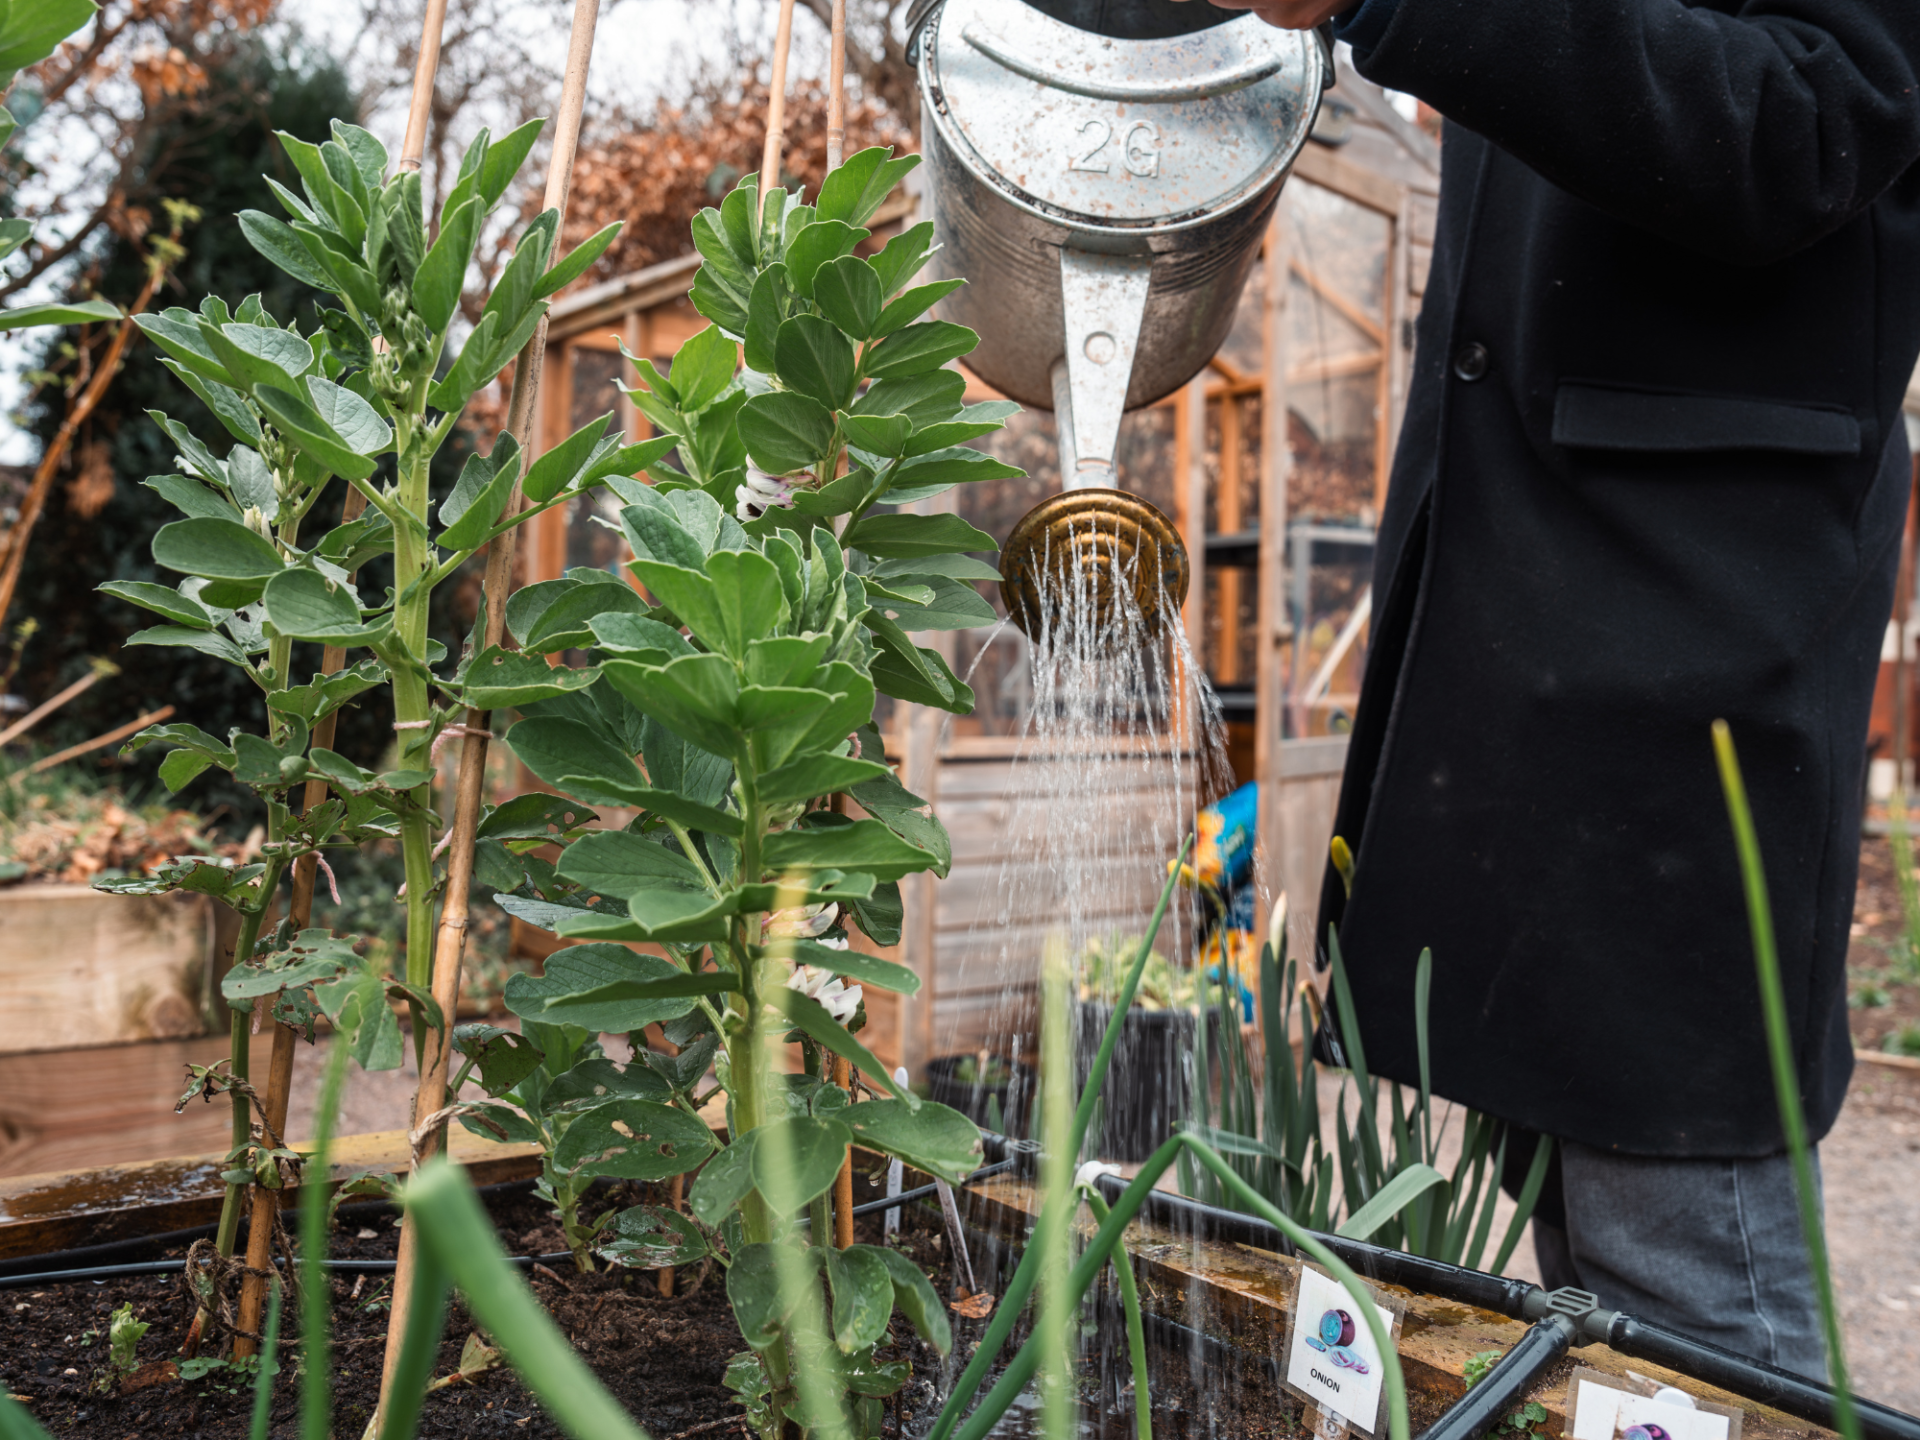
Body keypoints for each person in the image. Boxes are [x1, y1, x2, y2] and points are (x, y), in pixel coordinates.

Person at [1206, 0, 1920, 1379]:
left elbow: (1813, 114)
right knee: (1588, 1267)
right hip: (1543, 601)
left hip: (1684, 612)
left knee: (1683, 1255)